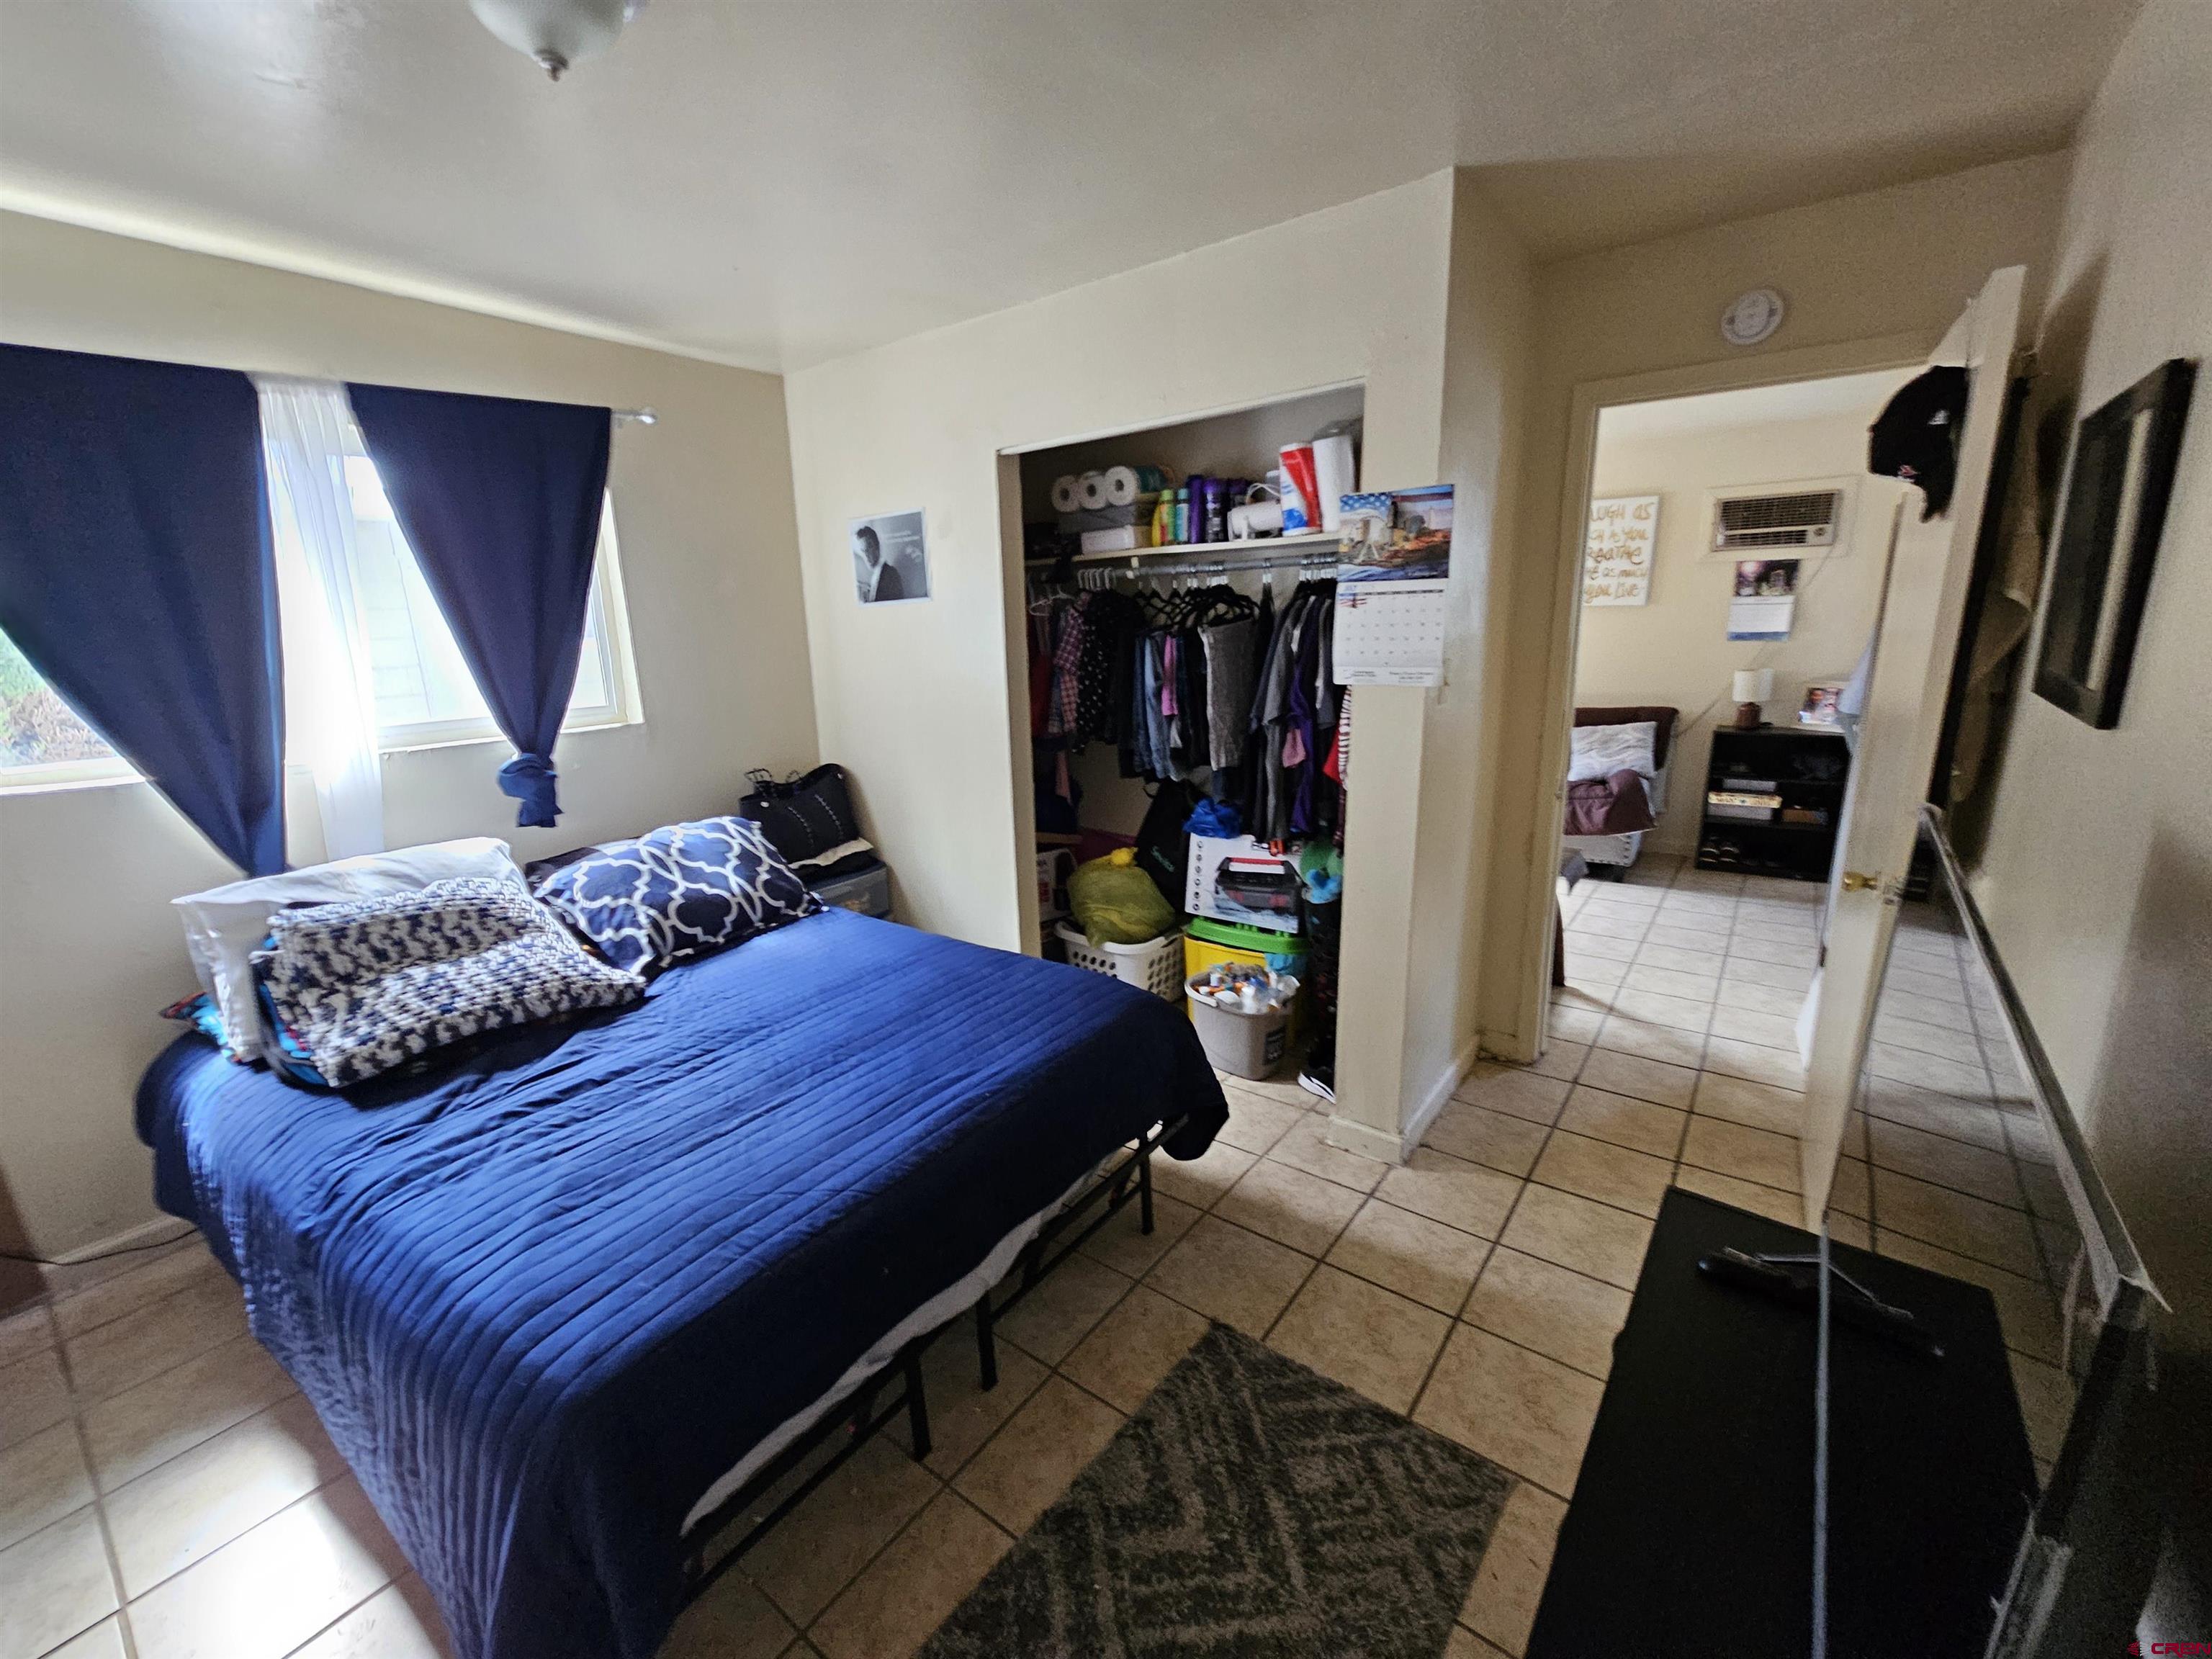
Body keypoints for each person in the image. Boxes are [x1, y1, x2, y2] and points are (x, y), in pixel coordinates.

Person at [852, 524, 904, 603]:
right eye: (863, 551)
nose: (866, 556)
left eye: (868, 549)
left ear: (877, 547)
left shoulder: (891, 574)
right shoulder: (876, 576)